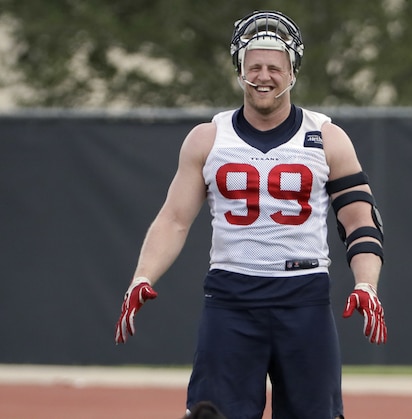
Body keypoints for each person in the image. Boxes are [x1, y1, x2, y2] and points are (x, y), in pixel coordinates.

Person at [114, 10, 387, 419]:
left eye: (273, 67)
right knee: (215, 414)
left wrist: (367, 283)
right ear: (239, 71)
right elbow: (174, 218)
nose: (263, 76)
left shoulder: (327, 137)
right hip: (231, 299)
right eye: (253, 66)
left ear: (292, 72)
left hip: (304, 298)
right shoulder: (208, 138)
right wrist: (142, 276)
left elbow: (360, 220)